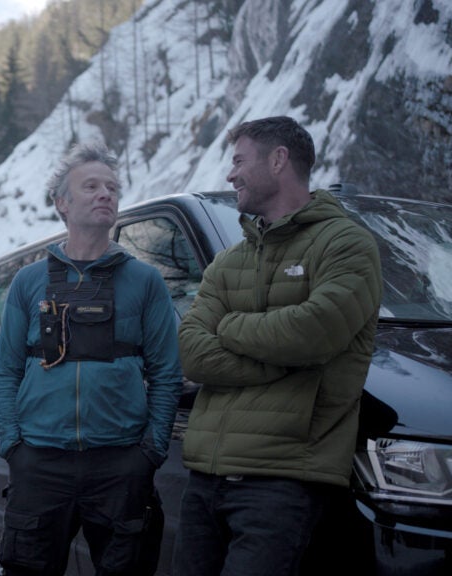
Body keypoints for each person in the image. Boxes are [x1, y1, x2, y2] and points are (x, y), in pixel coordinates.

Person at [173, 116, 383, 576]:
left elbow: (315, 332)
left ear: (278, 159)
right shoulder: (229, 260)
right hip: (204, 479)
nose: (230, 174)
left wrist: (227, 326)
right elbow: (190, 350)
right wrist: (281, 364)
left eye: (239, 161)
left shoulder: (346, 244)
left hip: (284, 482)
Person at [0, 141, 184, 576]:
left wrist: (148, 453)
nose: (106, 194)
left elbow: (167, 374)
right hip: (39, 462)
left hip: (120, 466)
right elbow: (5, 369)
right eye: (92, 186)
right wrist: (12, 446)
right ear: (61, 202)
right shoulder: (28, 282)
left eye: (113, 188)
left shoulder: (145, 280)